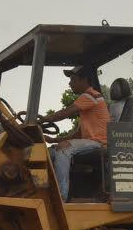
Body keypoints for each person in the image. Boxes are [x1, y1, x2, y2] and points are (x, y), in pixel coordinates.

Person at [40, 65, 111, 201]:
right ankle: (48, 192)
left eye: (73, 79)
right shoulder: (88, 108)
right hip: (91, 143)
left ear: (84, 80)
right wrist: (53, 140)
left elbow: (66, 112)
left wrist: (44, 119)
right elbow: (76, 135)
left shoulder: (90, 95)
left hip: (99, 143)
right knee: (52, 151)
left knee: (63, 150)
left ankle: (61, 197)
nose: (70, 83)